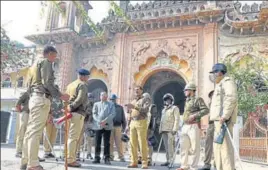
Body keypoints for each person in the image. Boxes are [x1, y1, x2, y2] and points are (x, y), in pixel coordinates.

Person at [20, 46, 69, 170]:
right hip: (41, 98)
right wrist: (60, 95)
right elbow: (47, 82)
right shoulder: (46, 62)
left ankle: (25, 161)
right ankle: (33, 163)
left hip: (34, 98)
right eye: (54, 56)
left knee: (30, 132)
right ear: (50, 54)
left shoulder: (33, 67)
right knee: (35, 132)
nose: (54, 59)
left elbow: (28, 87)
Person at [209, 63, 238, 170]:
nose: (214, 75)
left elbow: (231, 98)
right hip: (218, 120)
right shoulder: (220, 84)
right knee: (218, 149)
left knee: (225, 149)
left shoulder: (227, 82)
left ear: (220, 72)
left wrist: (225, 116)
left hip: (224, 120)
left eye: (215, 73)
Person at [176, 83, 209, 170]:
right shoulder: (187, 100)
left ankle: (193, 167)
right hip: (185, 126)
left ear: (191, 90)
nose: (184, 92)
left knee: (195, 148)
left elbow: (206, 110)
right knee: (183, 147)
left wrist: (195, 115)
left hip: (194, 126)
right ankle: (184, 165)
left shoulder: (198, 99)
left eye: (186, 90)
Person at [65, 68, 90, 167]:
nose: (88, 78)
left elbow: (66, 98)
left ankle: (66, 156)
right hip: (77, 113)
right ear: (83, 76)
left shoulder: (70, 85)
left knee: (69, 136)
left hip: (69, 113)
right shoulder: (82, 85)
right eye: (87, 77)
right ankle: (70, 159)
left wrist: (67, 107)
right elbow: (80, 99)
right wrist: (71, 107)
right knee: (73, 137)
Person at [126, 86, 151, 169]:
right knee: (132, 143)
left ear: (142, 91)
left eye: (138, 89)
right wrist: (127, 125)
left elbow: (145, 110)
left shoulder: (145, 99)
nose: (136, 91)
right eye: (135, 89)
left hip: (141, 121)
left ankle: (144, 163)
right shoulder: (133, 100)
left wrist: (134, 107)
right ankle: (133, 162)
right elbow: (130, 113)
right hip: (133, 122)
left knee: (142, 143)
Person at [92, 92, 116, 165]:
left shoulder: (111, 104)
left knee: (107, 143)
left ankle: (107, 158)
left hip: (107, 125)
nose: (104, 97)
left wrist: (105, 121)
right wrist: (99, 121)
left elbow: (113, 114)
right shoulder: (96, 104)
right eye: (102, 95)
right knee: (97, 142)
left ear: (107, 97)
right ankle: (97, 157)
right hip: (98, 125)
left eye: (105, 96)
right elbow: (94, 113)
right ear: (100, 96)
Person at [159, 93, 180, 167]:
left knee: (171, 146)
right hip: (164, 129)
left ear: (171, 100)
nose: (167, 101)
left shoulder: (174, 108)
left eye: (168, 100)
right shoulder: (163, 110)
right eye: (165, 100)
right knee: (166, 147)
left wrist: (175, 129)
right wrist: (160, 129)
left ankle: (171, 161)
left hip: (171, 130)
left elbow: (177, 119)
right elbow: (162, 120)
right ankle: (167, 160)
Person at [43, 86, 64, 158]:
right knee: (48, 134)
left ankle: (50, 151)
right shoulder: (49, 97)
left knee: (53, 135)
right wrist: (49, 116)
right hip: (50, 118)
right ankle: (46, 151)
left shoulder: (60, 99)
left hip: (57, 119)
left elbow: (62, 108)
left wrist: (62, 117)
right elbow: (47, 106)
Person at [75, 93, 94, 161]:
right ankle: (77, 153)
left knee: (90, 139)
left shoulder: (93, 105)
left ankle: (89, 153)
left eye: (91, 98)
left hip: (89, 123)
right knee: (80, 138)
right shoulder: (84, 104)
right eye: (89, 98)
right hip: (83, 122)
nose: (90, 99)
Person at [199, 90, 215, 170]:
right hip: (211, 125)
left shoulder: (221, 104)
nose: (212, 97)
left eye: (213, 95)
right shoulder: (210, 104)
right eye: (211, 96)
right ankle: (207, 164)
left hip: (218, 124)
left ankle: (217, 163)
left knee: (218, 145)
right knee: (208, 145)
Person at [109, 94, 127, 162]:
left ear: (116, 100)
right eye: (111, 99)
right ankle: (111, 156)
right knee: (110, 142)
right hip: (110, 127)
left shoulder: (120, 107)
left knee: (119, 143)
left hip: (118, 126)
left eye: (113, 99)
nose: (112, 100)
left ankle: (121, 156)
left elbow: (123, 118)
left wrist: (124, 127)